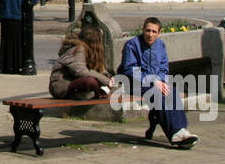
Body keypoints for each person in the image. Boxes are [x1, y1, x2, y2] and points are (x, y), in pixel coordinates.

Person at [118, 16, 199, 148]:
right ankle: (175, 134)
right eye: (148, 30)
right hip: (134, 84)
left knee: (171, 91)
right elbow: (129, 70)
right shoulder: (132, 45)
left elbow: (163, 68)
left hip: (155, 83)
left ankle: (182, 131)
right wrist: (152, 80)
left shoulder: (160, 45)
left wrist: (160, 80)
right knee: (158, 94)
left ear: (159, 33)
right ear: (143, 30)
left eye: (154, 31)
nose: (150, 34)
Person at [49, 24, 114, 100]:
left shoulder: (87, 49)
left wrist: (108, 77)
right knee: (90, 82)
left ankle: (91, 94)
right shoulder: (78, 49)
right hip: (63, 85)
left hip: (73, 81)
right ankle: (92, 94)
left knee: (99, 85)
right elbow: (80, 71)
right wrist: (106, 81)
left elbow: (97, 69)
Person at [0, 0, 36, 74]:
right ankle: (17, 65)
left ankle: (6, 66)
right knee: (19, 42)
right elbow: (34, 0)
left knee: (6, 42)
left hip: (6, 17)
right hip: (19, 17)